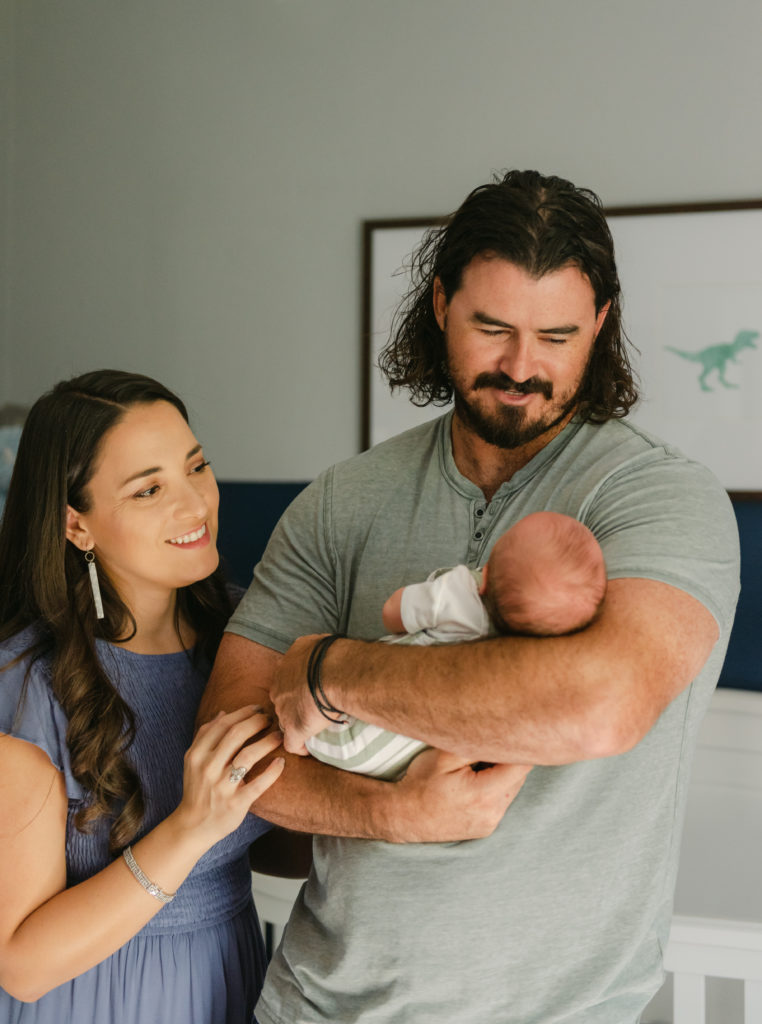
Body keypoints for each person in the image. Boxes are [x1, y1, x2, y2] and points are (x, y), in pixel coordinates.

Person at [201, 169, 740, 1024]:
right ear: (441, 306)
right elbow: (229, 752)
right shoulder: (344, 501)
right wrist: (392, 813)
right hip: (311, 1007)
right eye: (492, 328)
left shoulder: (658, 498)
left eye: (557, 336)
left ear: (600, 325)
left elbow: (596, 708)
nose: (522, 368)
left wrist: (331, 671)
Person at [0, 370, 287, 1023]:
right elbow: (22, 966)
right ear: (77, 525)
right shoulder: (22, 686)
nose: (196, 505)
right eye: (150, 489)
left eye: (197, 467)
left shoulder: (247, 639)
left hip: (229, 984)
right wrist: (190, 826)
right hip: (90, 1002)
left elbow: (274, 846)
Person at [306, 510, 607, 779]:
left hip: (342, 730)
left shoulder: (463, 592)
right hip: (400, 763)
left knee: (314, 655)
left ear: (486, 576)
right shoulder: (531, 669)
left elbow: (391, 613)